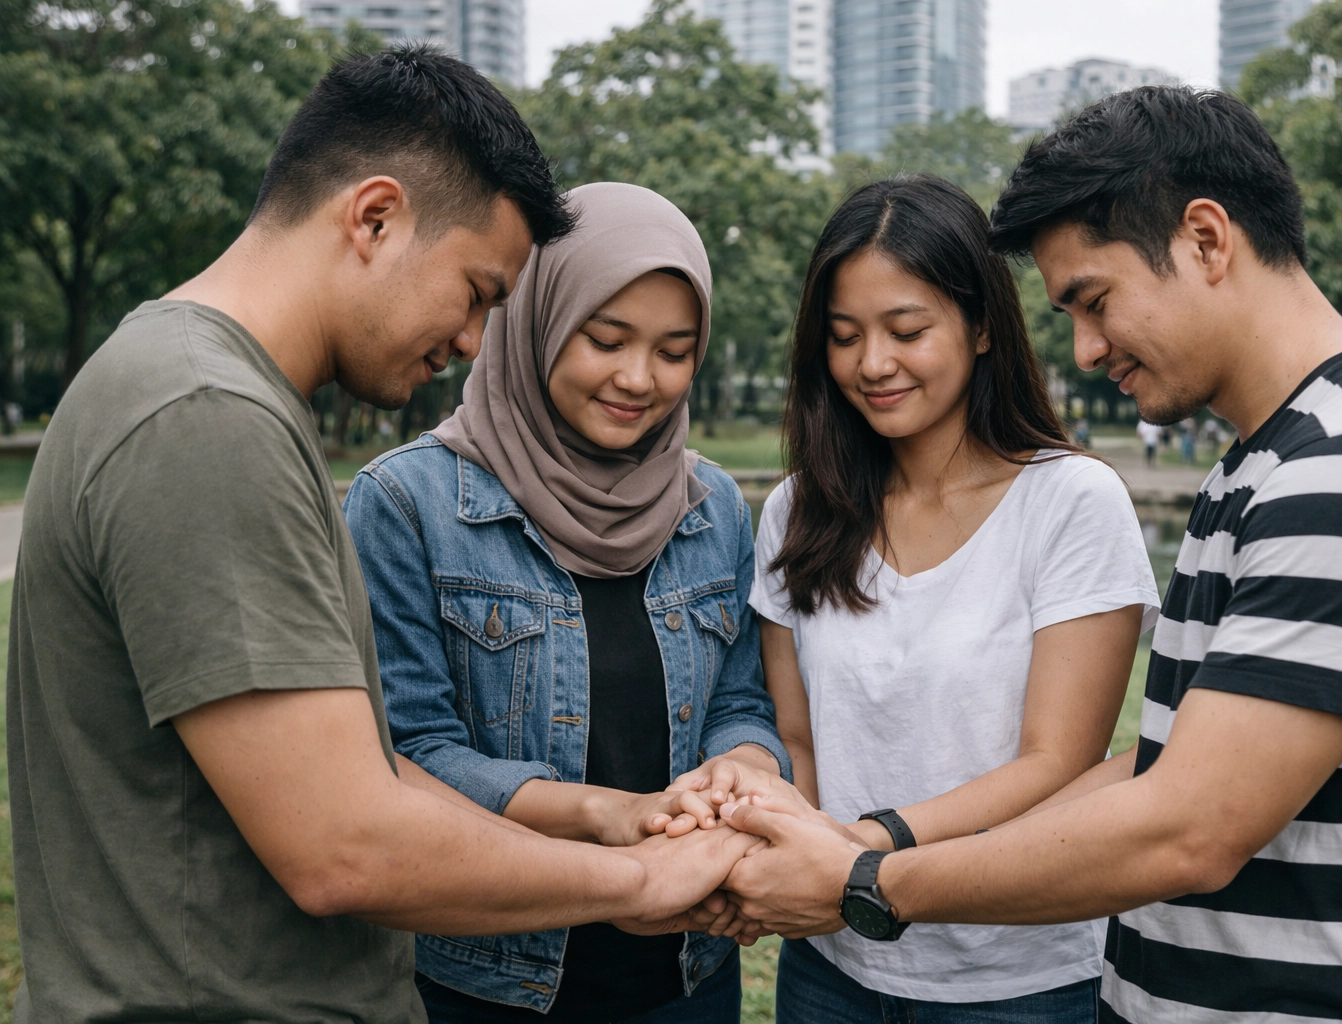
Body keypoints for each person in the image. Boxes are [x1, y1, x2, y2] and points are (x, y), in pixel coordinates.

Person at [712, 86, 1342, 1024]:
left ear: (1206, 240)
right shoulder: (1272, 460)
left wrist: (868, 876)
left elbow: (1191, 829)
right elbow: (1160, 768)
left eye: (1093, 302)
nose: (1086, 350)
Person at [9, 48, 758, 1024]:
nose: (476, 342)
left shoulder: (210, 392)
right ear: (374, 218)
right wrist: (644, 883)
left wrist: (611, 816)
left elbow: (357, 769)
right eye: (479, 290)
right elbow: (343, 844)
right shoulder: (205, 416)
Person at [685, 175, 1160, 1022]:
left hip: (1015, 978)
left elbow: (1056, 763)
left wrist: (866, 849)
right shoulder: (801, 508)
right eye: (844, 336)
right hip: (830, 968)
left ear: (981, 326)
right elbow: (797, 736)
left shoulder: (1070, 502)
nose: (872, 364)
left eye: (907, 330)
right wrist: (758, 838)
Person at [344, 181, 790, 1022]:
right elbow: (406, 752)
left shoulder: (713, 507)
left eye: (674, 349)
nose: (638, 378)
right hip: (484, 981)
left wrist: (742, 773)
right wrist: (607, 816)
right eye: (606, 338)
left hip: (685, 976)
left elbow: (737, 698)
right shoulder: (410, 505)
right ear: (539, 319)